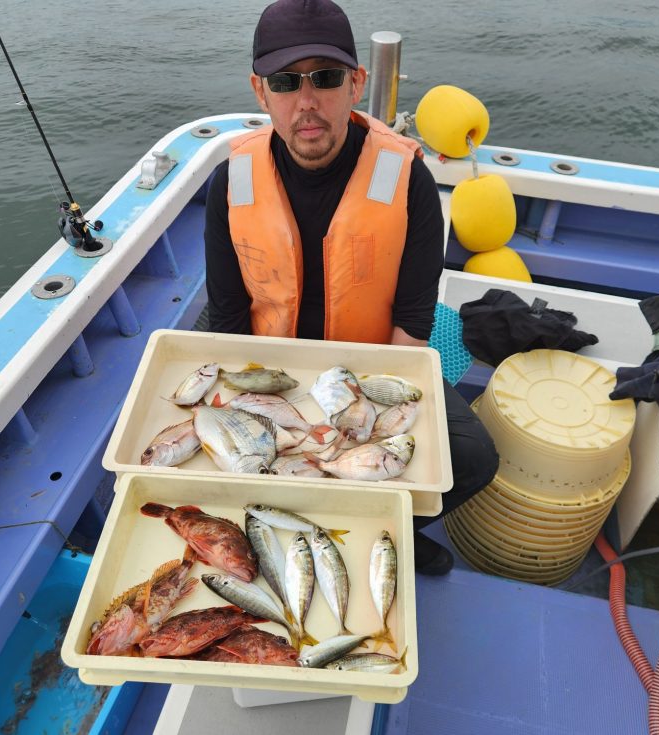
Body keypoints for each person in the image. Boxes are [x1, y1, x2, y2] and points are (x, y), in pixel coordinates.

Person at [203, 0, 499, 575]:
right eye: (286, 82)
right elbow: (227, 317)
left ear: (356, 84)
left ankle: (388, 532)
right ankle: (307, 533)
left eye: (326, 78)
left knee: (473, 456)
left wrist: (357, 428)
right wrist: (259, 411)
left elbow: (415, 323)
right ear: (260, 92)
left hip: (372, 368)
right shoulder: (230, 182)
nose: (306, 101)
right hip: (269, 366)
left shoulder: (407, 177)